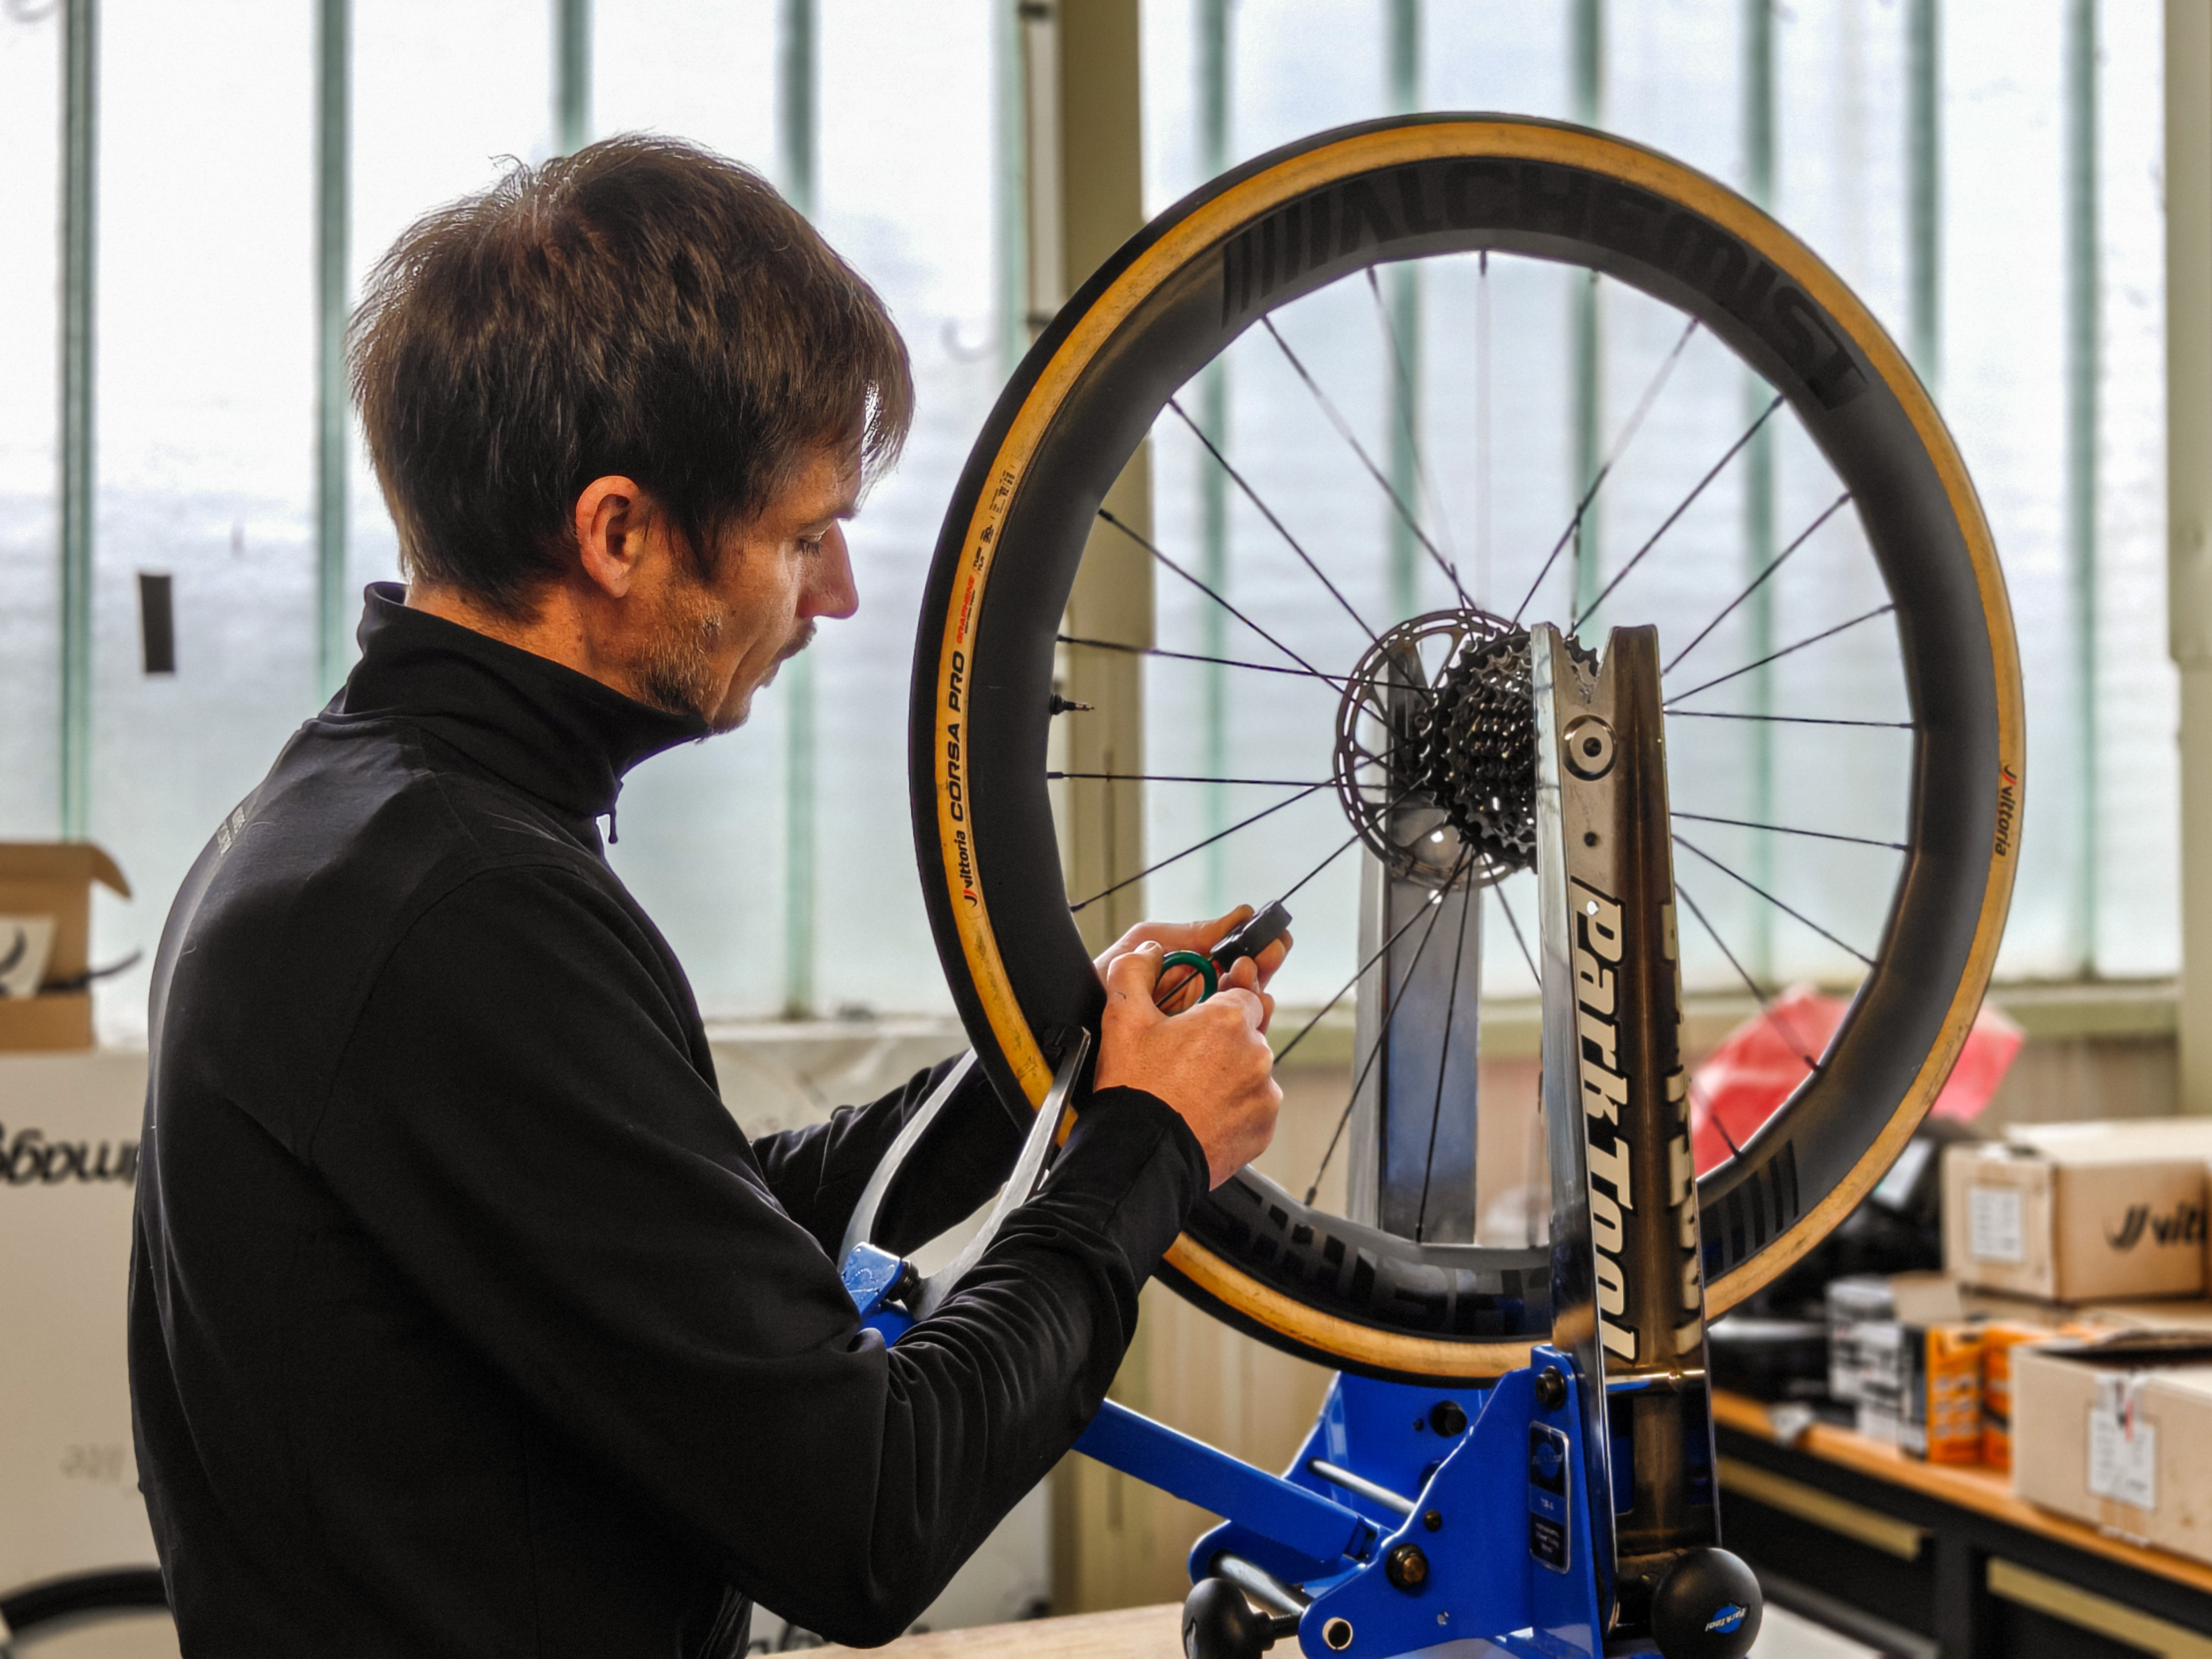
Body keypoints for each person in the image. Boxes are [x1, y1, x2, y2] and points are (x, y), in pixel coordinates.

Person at [127, 136, 1286, 1657]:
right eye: (802, 534)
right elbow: (870, 1513)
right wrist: (1141, 1153)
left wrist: (1048, 1076)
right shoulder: (453, 909)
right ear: (617, 534)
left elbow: (665, 1237)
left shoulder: (352, 824)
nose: (837, 594)